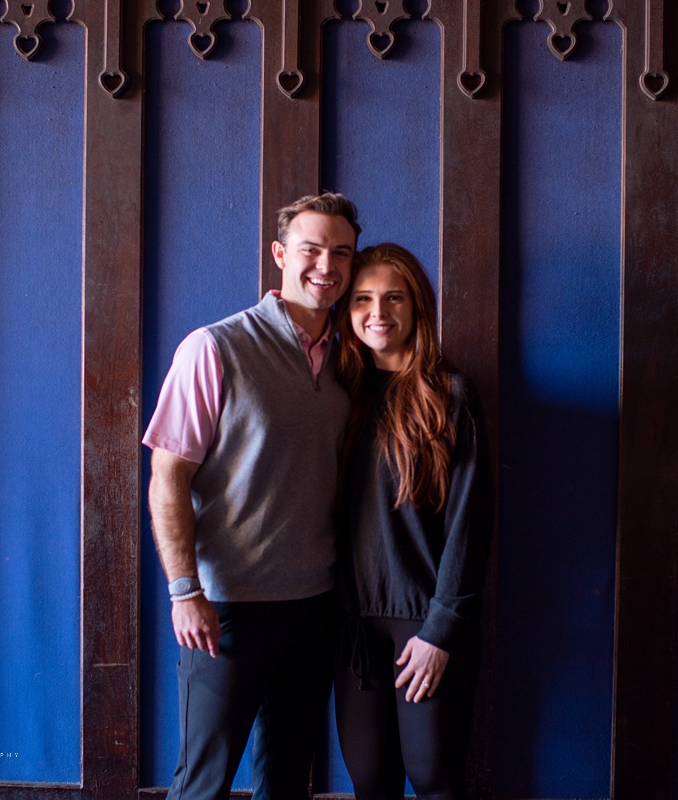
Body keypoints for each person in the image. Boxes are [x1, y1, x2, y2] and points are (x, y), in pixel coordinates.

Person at [143, 193, 360, 800]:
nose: (326, 265)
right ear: (280, 254)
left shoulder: (348, 362)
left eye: (340, 252)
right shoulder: (214, 348)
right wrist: (185, 591)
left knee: (289, 782)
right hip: (226, 609)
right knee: (203, 784)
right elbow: (168, 479)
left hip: (316, 606)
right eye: (312, 249)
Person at [333, 243, 491, 800]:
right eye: (363, 298)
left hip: (424, 626)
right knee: (371, 780)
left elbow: (470, 526)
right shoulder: (337, 395)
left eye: (394, 297)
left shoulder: (450, 395)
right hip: (353, 629)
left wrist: (439, 633)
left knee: (433, 778)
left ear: (417, 305)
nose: (379, 312)